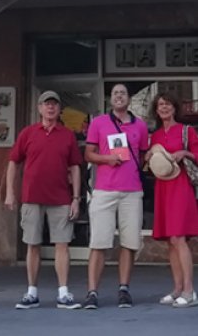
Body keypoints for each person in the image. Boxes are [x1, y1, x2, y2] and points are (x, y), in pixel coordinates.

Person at [5, 90, 83, 310]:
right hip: (32, 197)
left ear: (59, 110)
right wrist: (10, 192)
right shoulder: (28, 133)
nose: (50, 108)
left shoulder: (67, 135)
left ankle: (63, 293)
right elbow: (13, 162)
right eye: (46, 104)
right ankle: (31, 292)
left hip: (61, 198)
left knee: (62, 245)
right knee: (32, 244)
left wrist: (76, 198)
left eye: (54, 105)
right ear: (39, 108)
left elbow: (75, 167)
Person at [82, 83, 148, 309]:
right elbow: (88, 154)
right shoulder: (98, 123)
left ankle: (124, 290)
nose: (119, 96)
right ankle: (92, 292)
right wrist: (107, 159)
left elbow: (143, 154)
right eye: (115, 93)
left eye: (123, 93)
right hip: (104, 191)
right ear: (111, 99)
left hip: (132, 191)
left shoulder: (140, 125)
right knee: (99, 243)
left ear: (129, 99)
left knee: (129, 243)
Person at [145, 92, 198, 307]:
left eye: (167, 104)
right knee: (170, 240)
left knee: (179, 238)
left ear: (174, 108)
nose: (164, 108)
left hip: (181, 186)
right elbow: (151, 167)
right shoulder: (155, 135)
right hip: (163, 187)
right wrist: (147, 157)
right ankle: (177, 288)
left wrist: (184, 152)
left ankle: (189, 290)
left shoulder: (187, 131)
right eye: (160, 105)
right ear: (156, 111)